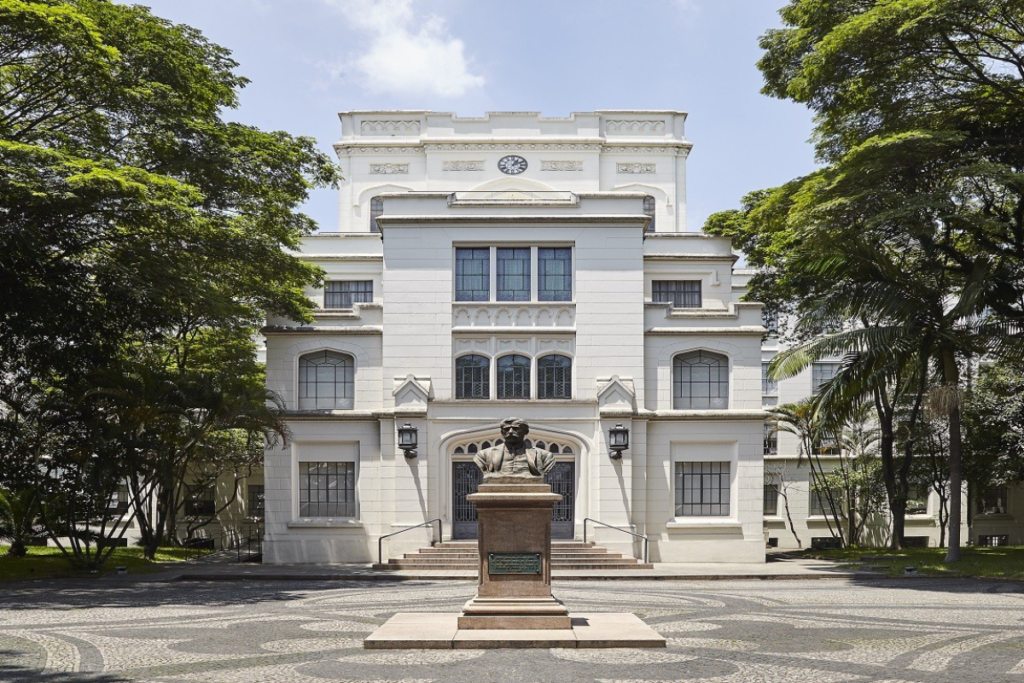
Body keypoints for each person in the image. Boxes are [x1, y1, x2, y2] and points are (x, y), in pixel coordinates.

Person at [474, 418, 555, 479]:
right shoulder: (483, 455)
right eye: (506, 429)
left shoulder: (545, 456)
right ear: (502, 432)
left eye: (516, 428)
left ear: (526, 431)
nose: (510, 431)